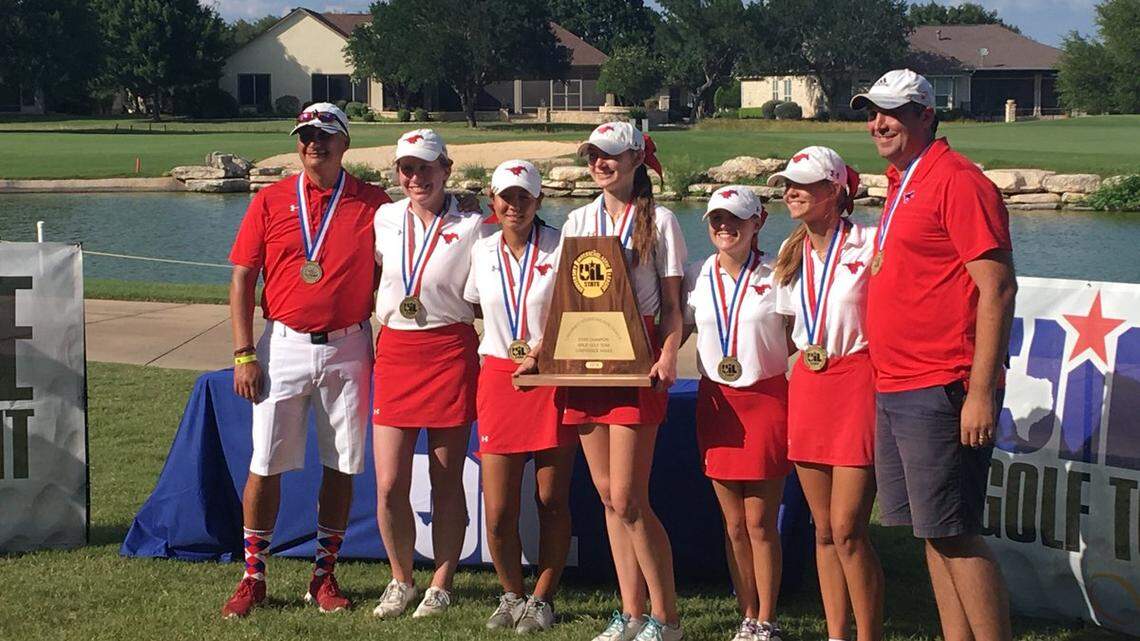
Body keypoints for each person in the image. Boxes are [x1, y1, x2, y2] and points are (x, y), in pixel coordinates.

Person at [853, 69, 1016, 641]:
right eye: (873, 112)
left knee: (955, 532)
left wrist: (979, 392)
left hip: (942, 384)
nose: (878, 122)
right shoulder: (903, 181)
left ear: (927, 115)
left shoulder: (959, 181)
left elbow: (997, 288)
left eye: (892, 112)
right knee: (932, 531)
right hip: (897, 382)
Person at [223, 102, 391, 618]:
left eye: (324, 135)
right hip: (284, 342)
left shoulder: (374, 203)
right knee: (265, 463)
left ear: (345, 143)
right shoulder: (271, 199)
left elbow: (400, 267)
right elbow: (242, 279)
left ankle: (324, 574)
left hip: (348, 344)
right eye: (304, 136)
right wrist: (244, 351)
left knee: (341, 464)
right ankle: (254, 576)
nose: (312, 144)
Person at [563, 121, 687, 641]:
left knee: (632, 499)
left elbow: (676, 310)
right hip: (587, 365)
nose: (600, 163)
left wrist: (668, 356)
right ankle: (630, 614)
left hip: (637, 366)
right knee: (609, 496)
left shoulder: (660, 221)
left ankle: (667, 618)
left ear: (637, 159)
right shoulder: (576, 220)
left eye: (611, 155)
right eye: (594, 155)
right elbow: (567, 304)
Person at [769, 147, 885, 641]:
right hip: (809, 386)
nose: (790, 192)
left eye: (803, 184)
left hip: (858, 379)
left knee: (848, 528)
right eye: (787, 184)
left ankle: (868, 635)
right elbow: (783, 324)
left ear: (834, 191)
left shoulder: (872, 243)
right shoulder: (790, 252)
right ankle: (836, 633)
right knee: (821, 528)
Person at [370, 129, 486, 620]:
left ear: (447, 168)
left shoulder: (476, 223)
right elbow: (376, 276)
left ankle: (441, 581)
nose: (415, 177)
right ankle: (400, 579)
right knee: (390, 481)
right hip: (396, 350)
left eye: (425, 167)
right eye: (407, 168)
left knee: (446, 478)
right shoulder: (385, 216)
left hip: (449, 350)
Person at [463, 160, 578, 633]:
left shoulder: (562, 246)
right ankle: (510, 594)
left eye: (524, 197)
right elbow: (474, 305)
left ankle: (543, 599)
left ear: (539, 200)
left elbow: (577, 309)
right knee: (499, 508)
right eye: (506, 197)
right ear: (493, 199)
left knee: (551, 498)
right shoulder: (482, 250)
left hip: (549, 377)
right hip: (499, 378)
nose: (515, 205)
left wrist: (542, 347)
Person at [682, 186, 790, 641]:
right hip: (717, 403)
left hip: (765, 400)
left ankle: (766, 618)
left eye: (736, 220)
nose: (725, 227)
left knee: (760, 522)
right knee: (732, 524)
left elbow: (799, 337)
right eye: (717, 220)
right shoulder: (696, 274)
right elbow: (675, 331)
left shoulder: (779, 275)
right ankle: (746, 613)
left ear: (757, 222)